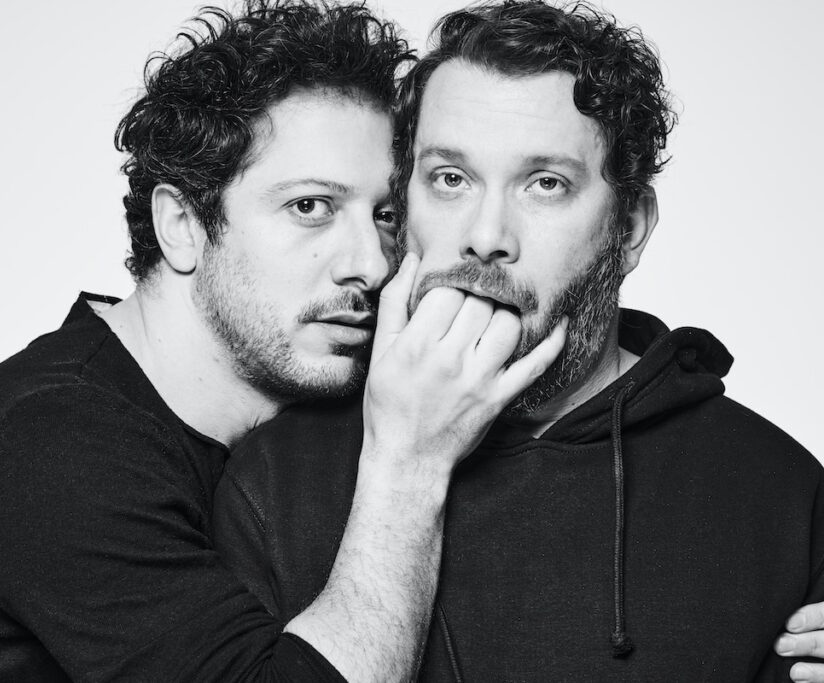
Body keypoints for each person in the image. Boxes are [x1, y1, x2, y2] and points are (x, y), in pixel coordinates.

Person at [0, 2, 566, 681]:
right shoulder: (49, 440)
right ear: (182, 226)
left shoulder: (270, 429)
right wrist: (410, 464)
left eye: (384, 216)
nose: (371, 264)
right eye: (310, 207)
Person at [212, 1, 824, 680]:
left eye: (545, 184)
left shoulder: (780, 493)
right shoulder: (274, 478)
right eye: (451, 179)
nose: (486, 236)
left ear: (628, 229)